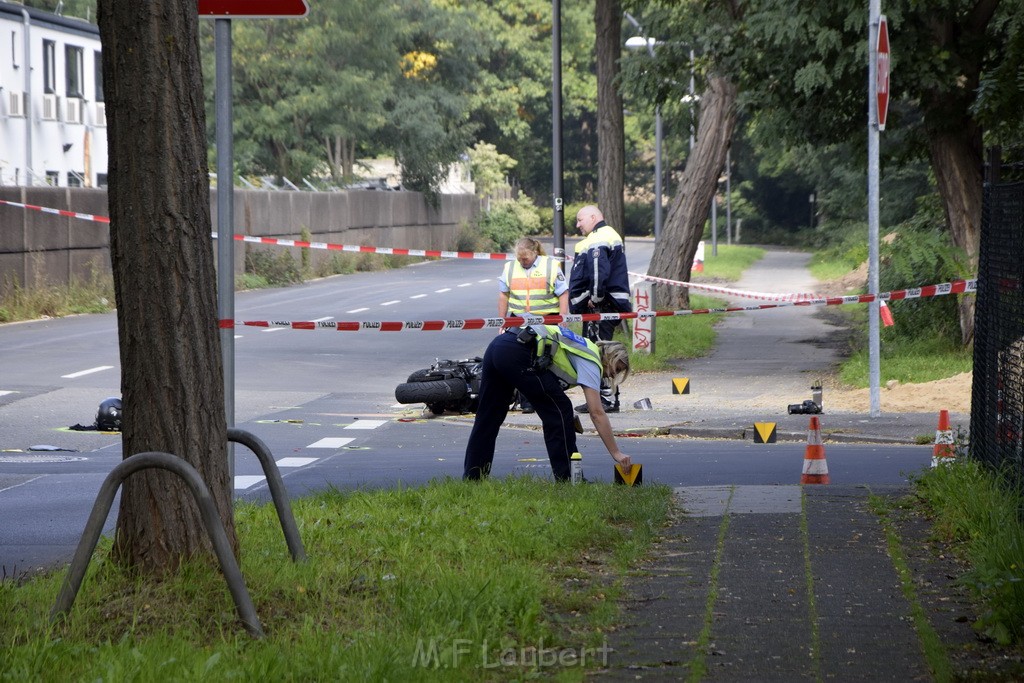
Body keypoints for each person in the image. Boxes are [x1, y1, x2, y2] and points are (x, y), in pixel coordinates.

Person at [463, 325, 633, 482]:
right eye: (616, 369)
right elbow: (596, 412)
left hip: (500, 345)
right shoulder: (592, 360)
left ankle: (473, 478)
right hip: (518, 352)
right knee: (561, 410)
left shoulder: (583, 345)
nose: (612, 375)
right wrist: (616, 452)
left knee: (488, 417)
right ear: (610, 357)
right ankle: (569, 479)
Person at [568, 205, 631, 412]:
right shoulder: (602, 236)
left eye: (580, 219)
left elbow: (598, 272)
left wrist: (594, 298)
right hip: (605, 304)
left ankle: (607, 400)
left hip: (601, 306)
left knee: (599, 352)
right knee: (598, 350)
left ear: (593, 217)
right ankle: (604, 398)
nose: (577, 225)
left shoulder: (599, 238)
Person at [498, 237, 569, 414]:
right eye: (520, 258)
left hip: (546, 319)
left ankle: (550, 396)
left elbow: (563, 293)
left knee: (547, 359)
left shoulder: (550, 266)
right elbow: (503, 296)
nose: (522, 262)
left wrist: (563, 317)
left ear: (535, 253)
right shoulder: (510, 267)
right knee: (520, 359)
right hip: (519, 320)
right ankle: (527, 401)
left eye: (526, 258)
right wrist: (502, 321)